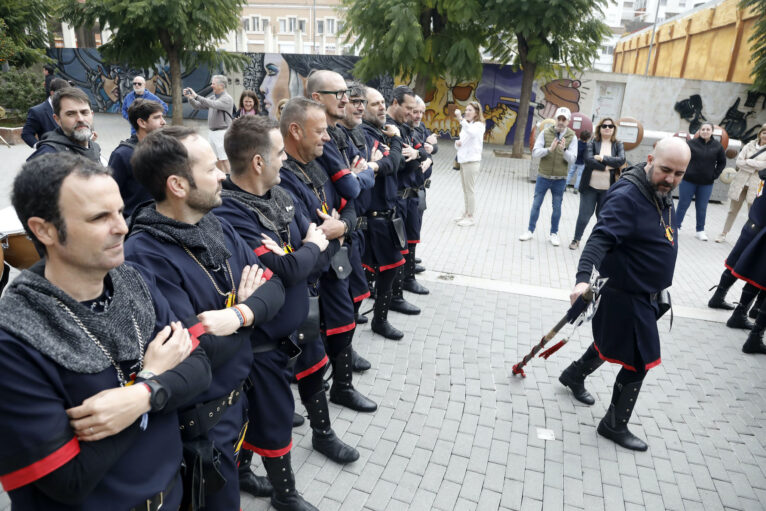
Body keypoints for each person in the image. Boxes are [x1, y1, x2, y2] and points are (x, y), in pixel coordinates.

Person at [0, 153, 212, 509]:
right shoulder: (15, 339)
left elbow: (201, 368)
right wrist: (156, 378)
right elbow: (68, 480)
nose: (123, 227)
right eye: (100, 217)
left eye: (119, 211)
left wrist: (141, 395)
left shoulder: (133, 280)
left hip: (173, 495)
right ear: (44, 230)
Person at [125, 127, 288, 510]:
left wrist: (239, 314)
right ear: (178, 185)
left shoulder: (215, 223)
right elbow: (195, 351)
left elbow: (275, 286)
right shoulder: (145, 256)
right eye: (212, 166)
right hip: (200, 428)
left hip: (236, 404)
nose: (222, 173)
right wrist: (251, 313)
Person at [217, 116, 358, 487]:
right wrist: (309, 248)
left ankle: (323, 435)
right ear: (258, 162)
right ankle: (278, 490)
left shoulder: (281, 193)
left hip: (302, 320)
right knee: (269, 415)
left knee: (314, 377)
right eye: (279, 153)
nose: (285, 159)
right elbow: (285, 266)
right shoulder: (230, 211)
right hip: (265, 338)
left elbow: (312, 250)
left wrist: (305, 253)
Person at [558, 137, 691, 451]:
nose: (671, 179)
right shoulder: (629, 195)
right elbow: (600, 237)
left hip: (644, 291)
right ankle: (614, 425)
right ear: (649, 159)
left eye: (679, 174)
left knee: (616, 340)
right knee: (639, 360)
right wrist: (581, 280)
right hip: (625, 293)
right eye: (665, 170)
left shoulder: (659, 188)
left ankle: (573, 375)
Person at [278, 97, 378, 413]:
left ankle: (343, 388)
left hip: (334, 267)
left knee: (344, 324)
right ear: (295, 131)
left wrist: (341, 226)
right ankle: (315, 418)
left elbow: (350, 204)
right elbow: (309, 235)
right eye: (319, 130)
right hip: (309, 276)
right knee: (308, 348)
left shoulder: (319, 162)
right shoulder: (283, 177)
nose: (326, 137)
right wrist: (335, 231)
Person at [358, 86, 408, 340]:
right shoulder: (364, 134)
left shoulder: (382, 132)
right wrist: (396, 143)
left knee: (389, 272)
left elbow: (392, 163)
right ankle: (345, 340)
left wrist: (391, 152)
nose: (381, 107)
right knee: (357, 283)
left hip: (388, 216)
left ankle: (380, 320)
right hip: (369, 220)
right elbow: (391, 164)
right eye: (374, 103)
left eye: (382, 102)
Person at [387, 86, 431, 298]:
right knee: (398, 246)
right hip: (397, 197)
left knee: (411, 240)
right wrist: (419, 157)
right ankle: (395, 294)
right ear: (395, 103)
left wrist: (420, 155)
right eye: (410, 108)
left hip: (412, 195)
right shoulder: (390, 129)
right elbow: (402, 162)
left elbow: (423, 151)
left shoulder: (405, 128)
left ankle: (408, 280)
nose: (413, 114)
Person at [707, 189, 766, 331]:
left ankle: (719, 297)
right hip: (761, 227)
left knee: (737, 262)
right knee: (759, 273)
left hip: (755, 222)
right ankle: (742, 312)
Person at [519, 107, 577, 246]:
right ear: (555, 119)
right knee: (536, 204)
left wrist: (563, 151)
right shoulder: (545, 132)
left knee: (557, 207)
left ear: (568, 121)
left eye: (564, 119)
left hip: (559, 179)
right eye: (559, 118)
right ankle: (530, 231)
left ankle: (554, 234)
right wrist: (548, 150)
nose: (561, 122)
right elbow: (535, 152)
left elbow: (573, 159)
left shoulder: (572, 137)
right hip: (543, 176)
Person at [569, 119, 625, 250]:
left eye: (610, 126)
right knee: (584, 216)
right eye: (604, 126)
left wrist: (602, 158)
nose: (607, 128)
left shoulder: (618, 144)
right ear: (599, 128)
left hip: (608, 190)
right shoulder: (592, 142)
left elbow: (621, 160)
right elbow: (588, 161)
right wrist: (607, 167)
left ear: (613, 129)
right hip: (590, 188)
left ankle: (595, 243)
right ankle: (576, 239)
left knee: (603, 219)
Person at [109, 98, 166, 218]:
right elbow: (110, 196)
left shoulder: (163, 149)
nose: (163, 122)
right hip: (134, 226)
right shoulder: (122, 155)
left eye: (162, 117)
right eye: (157, 117)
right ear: (142, 122)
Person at [675, 122, 726, 241]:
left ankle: (700, 231)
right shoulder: (691, 144)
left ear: (712, 131)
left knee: (702, 207)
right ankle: (676, 226)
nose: (705, 131)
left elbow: (722, 162)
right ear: (699, 131)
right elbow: (682, 157)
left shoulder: (718, 146)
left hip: (706, 183)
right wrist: (683, 172)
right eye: (703, 129)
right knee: (683, 204)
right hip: (688, 181)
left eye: (708, 129)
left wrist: (714, 175)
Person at [715, 124, 766, 243]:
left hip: (756, 185)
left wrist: (748, 162)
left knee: (752, 213)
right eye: (764, 133)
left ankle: (748, 238)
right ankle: (723, 233)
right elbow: (739, 162)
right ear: (760, 134)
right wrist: (754, 166)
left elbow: (764, 166)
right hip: (741, 183)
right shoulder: (749, 145)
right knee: (732, 210)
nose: (765, 136)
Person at [27, 87, 102, 163]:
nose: (80, 119)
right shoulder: (48, 157)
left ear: (92, 114)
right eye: (70, 114)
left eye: (84, 112)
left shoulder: (94, 148)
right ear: (57, 119)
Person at [184, 75, 234, 173]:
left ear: (221, 85)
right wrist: (190, 98)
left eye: (213, 84)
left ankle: (231, 182)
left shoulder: (227, 98)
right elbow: (197, 106)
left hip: (222, 133)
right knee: (217, 159)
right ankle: (222, 180)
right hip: (212, 133)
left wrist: (196, 96)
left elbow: (213, 104)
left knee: (224, 159)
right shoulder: (213, 97)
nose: (211, 86)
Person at [453, 101, 485, 227]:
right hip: (463, 160)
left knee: (470, 190)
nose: (466, 112)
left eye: (470, 110)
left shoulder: (479, 125)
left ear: (477, 113)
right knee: (465, 189)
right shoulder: (468, 124)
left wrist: (460, 119)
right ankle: (466, 213)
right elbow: (461, 141)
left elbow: (471, 133)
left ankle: (471, 216)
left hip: (472, 161)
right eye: (466, 110)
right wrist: (457, 144)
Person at [21, 77, 70, 147]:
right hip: (51, 155)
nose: (65, 98)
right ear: (52, 93)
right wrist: (40, 147)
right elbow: (26, 134)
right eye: (62, 95)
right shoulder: (37, 111)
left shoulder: (70, 108)